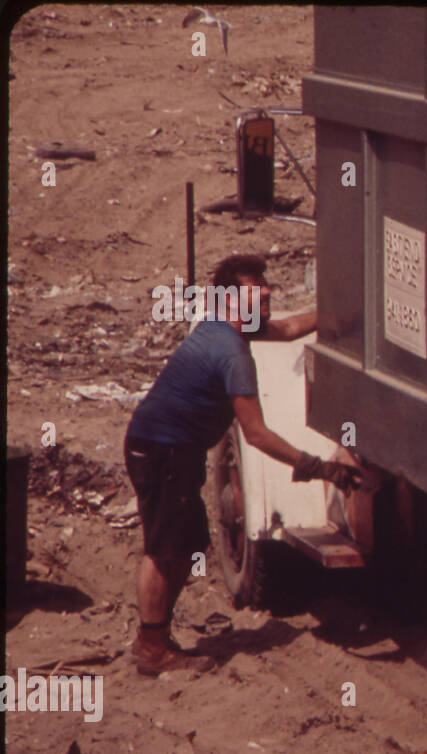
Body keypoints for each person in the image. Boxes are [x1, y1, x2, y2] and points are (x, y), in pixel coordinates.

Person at [123, 254, 362, 676]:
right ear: (231, 300)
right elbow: (257, 434)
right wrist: (320, 467)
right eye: (256, 286)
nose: (268, 290)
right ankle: (151, 648)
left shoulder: (228, 327)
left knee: (185, 545)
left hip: (172, 449)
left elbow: (288, 328)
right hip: (164, 452)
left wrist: (339, 315)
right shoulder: (231, 352)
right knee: (163, 553)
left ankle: (155, 637)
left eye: (265, 283)